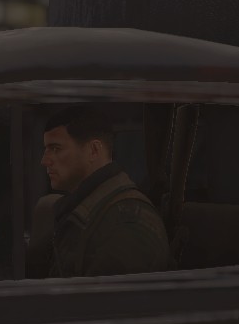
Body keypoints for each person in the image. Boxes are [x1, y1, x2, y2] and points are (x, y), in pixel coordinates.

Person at [36, 105, 173, 278]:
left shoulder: (127, 226)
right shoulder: (83, 208)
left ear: (93, 151)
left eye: (56, 149)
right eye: (46, 149)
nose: (44, 160)